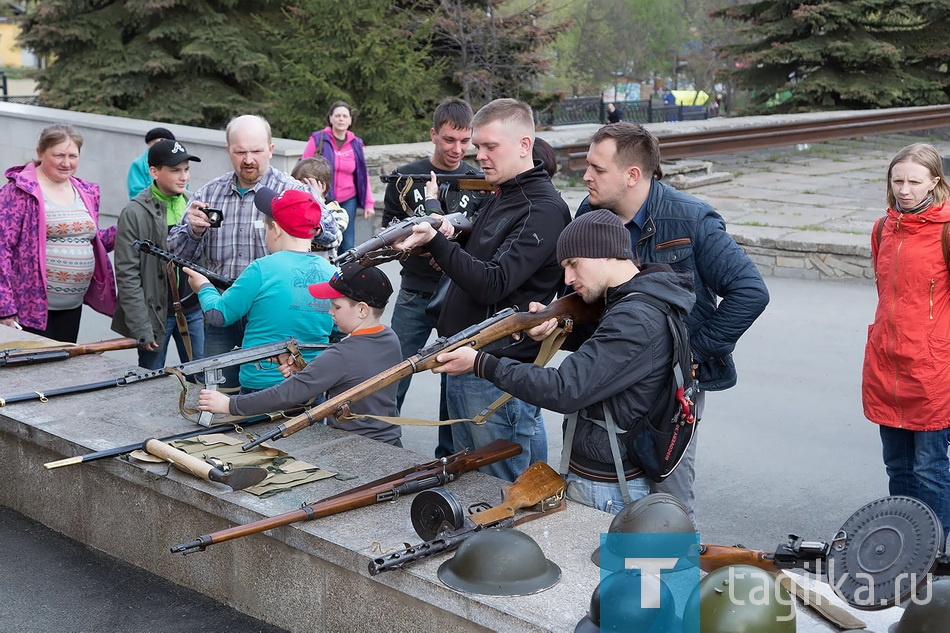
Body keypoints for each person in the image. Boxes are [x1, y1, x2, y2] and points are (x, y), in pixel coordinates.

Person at [435, 209, 695, 513]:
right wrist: (558, 328)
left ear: (605, 252)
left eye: (573, 264)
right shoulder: (636, 301)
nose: (569, 279)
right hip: (610, 477)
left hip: (609, 487)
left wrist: (481, 363)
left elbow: (564, 389)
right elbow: (606, 354)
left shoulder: (634, 319)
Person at [577, 122, 769, 522]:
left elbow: (750, 292)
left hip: (672, 390)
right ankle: (612, 580)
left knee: (667, 500)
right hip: (612, 375)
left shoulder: (690, 219)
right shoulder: (590, 212)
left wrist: (690, 354)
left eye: (597, 168)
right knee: (607, 486)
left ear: (632, 175)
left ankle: (675, 581)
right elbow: (585, 292)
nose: (586, 176)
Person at [394, 98, 571, 482]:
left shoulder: (541, 208)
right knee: (477, 480)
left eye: (491, 147)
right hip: (471, 359)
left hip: (495, 372)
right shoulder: (507, 192)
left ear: (525, 145)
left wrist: (438, 242)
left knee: (502, 488)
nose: (480, 156)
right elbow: (485, 251)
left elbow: (493, 282)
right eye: (479, 147)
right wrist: (453, 232)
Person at [167, 114, 338, 387]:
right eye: (240, 151)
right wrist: (193, 229)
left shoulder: (292, 189)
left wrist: (307, 213)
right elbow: (175, 252)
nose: (249, 159)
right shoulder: (208, 194)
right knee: (217, 392)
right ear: (228, 151)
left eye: (256, 151)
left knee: (273, 390)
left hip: (274, 317)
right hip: (222, 310)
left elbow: (331, 237)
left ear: (271, 149)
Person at [197, 263, 402, 446]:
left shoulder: (341, 355)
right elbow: (353, 376)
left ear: (362, 310)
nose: (330, 312)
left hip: (353, 446)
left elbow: (285, 394)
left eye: (336, 306)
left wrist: (230, 404)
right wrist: (305, 370)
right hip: (389, 440)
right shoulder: (389, 337)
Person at [382, 97, 491, 420]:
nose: (457, 148)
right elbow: (389, 230)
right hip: (415, 291)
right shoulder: (405, 178)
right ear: (433, 134)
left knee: (455, 382)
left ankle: (451, 454)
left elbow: (486, 237)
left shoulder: (479, 180)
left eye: (464, 140)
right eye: (448, 139)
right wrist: (421, 248)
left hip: (460, 294)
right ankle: (382, 437)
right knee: (395, 373)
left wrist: (453, 253)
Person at [863, 143, 950, 531]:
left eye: (914, 181)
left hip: (933, 369)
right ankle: (907, 544)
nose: (904, 189)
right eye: (898, 180)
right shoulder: (884, 228)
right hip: (887, 364)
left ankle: (938, 553)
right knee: (897, 467)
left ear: (934, 181)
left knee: (930, 469)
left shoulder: (946, 231)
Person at [183, 187, 335, 391]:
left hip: (260, 388)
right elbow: (338, 330)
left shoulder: (261, 269)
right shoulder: (332, 273)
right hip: (310, 386)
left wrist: (203, 286)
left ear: (276, 229)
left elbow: (218, 314)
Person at [0, 124, 116, 343]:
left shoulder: (85, 191)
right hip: (28, 311)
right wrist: (4, 307)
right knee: (33, 374)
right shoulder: (19, 192)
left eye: (73, 156)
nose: (66, 163)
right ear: (40, 152)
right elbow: (1, 247)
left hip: (71, 306)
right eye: (59, 155)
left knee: (63, 368)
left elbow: (91, 240)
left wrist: (125, 230)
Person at [112, 139, 205, 368]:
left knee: (201, 379)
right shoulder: (133, 212)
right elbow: (127, 274)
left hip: (193, 311)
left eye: (186, 169)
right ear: (154, 171)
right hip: (155, 316)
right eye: (175, 170)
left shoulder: (194, 204)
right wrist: (140, 325)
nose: (184, 177)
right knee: (150, 382)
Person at [301, 101, 374, 253]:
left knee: (347, 243)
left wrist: (369, 203)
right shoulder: (317, 139)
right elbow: (303, 167)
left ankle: (345, 275)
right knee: (323, 239)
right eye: (337, 115)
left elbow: (362, 174)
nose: (341, 119)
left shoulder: (356, 143)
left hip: (348, 199)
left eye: (345, 116)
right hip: (322, 198)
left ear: (350, 120)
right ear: (331, 118)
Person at [291, 157, 349, 260]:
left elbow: (334, 239)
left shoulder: (337, 212)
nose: (300, 190)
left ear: (322, 186)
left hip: (325, 271)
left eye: (305, 186)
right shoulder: (294, 208)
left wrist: (316, 201)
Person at [127, 127, 175, 199]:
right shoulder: (139, 164)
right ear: (149, 144)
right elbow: (136, 192)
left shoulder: (176, 162)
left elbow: (183, 188)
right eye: (158, 143)